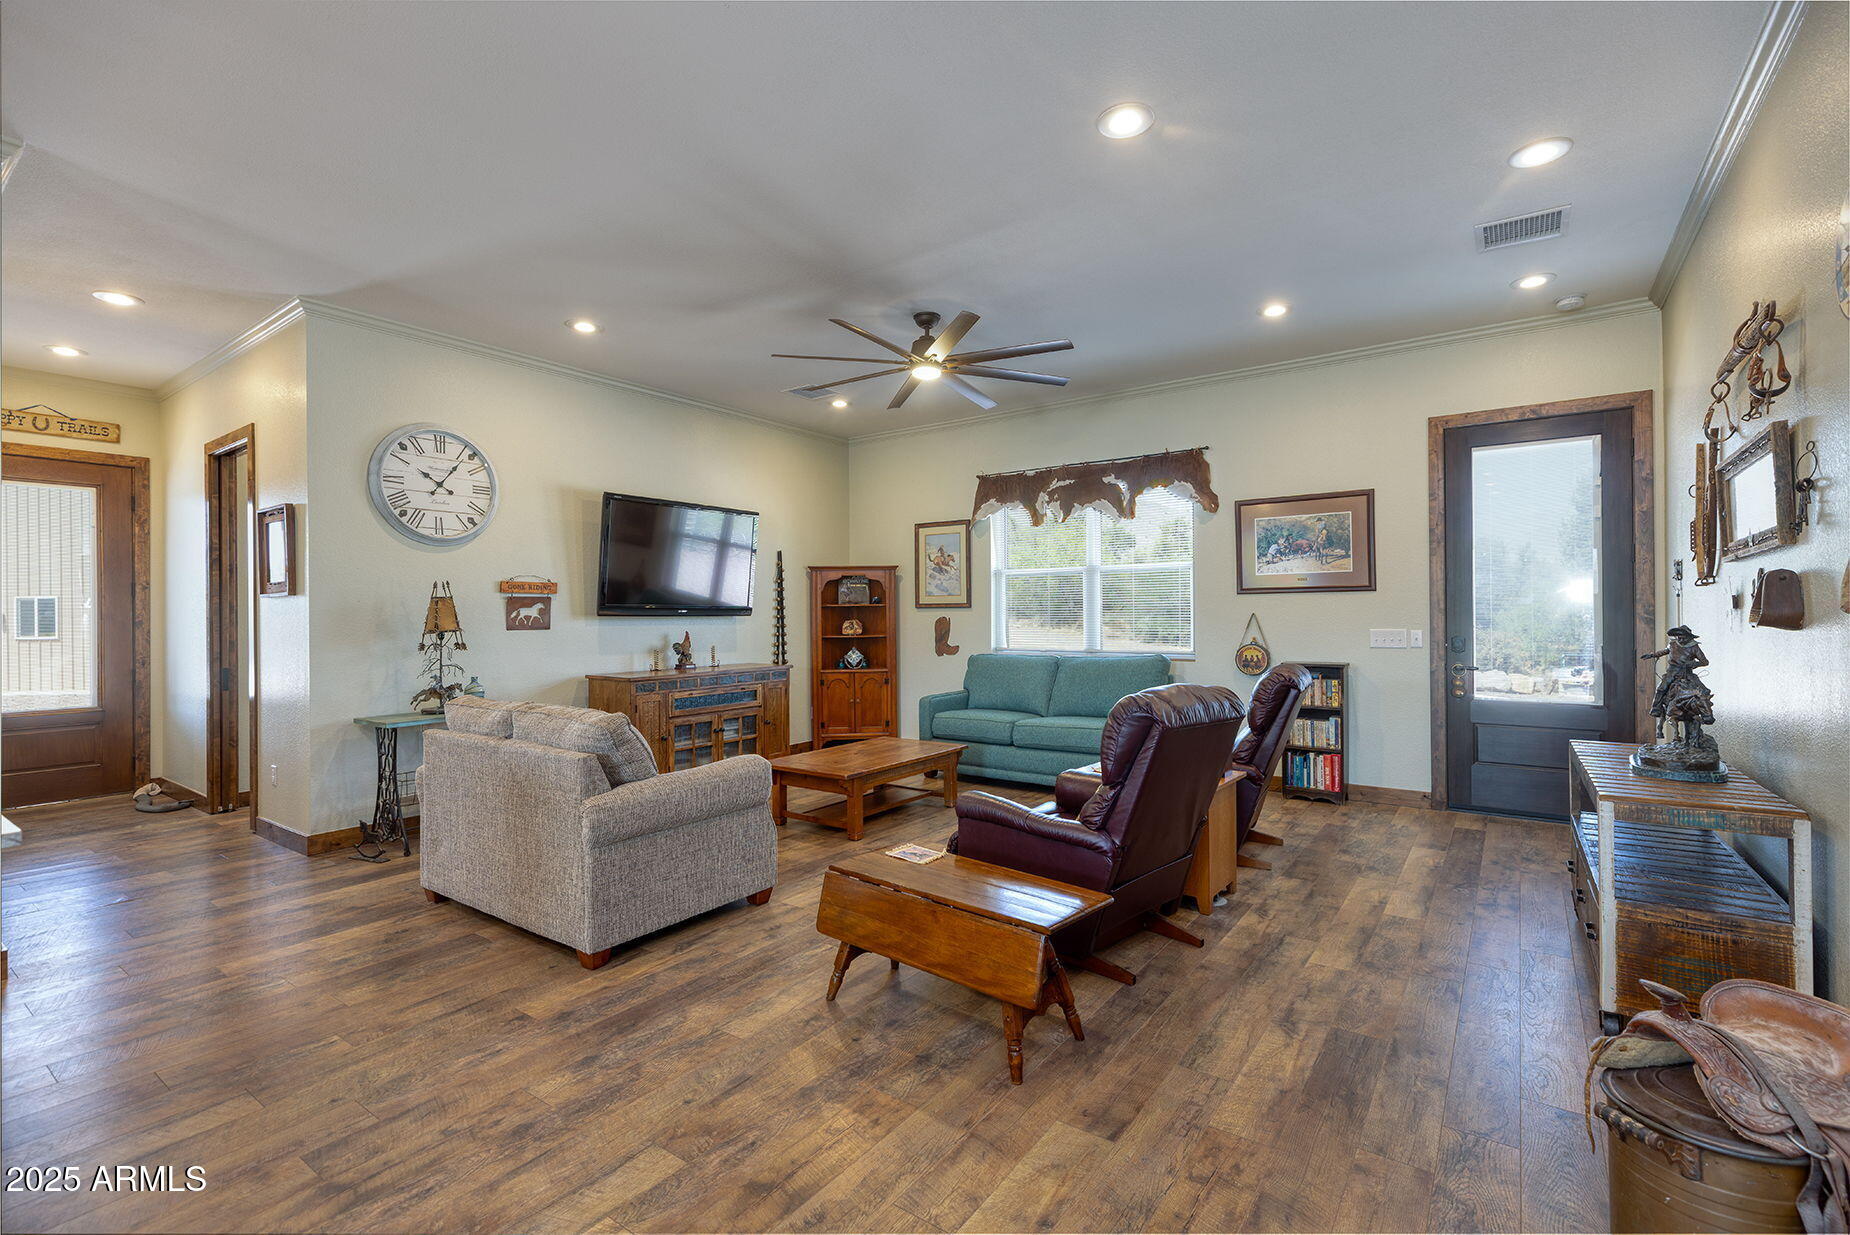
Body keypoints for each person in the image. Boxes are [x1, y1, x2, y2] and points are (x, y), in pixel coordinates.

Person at [1641, 625, 1714, 741]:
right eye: (1678, 637)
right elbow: (1665, 651)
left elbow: (1705, 662)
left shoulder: (1694, 647)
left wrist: (1694, 664)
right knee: (1661, 688)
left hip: (1687, 673)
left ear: (1688, 637)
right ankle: (1656, 708)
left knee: (1704, 691)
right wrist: (1652, 654)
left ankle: (1706, 714)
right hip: (1672, 671)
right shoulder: (1672, 644)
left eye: (1682, 637)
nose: (1680, 639)